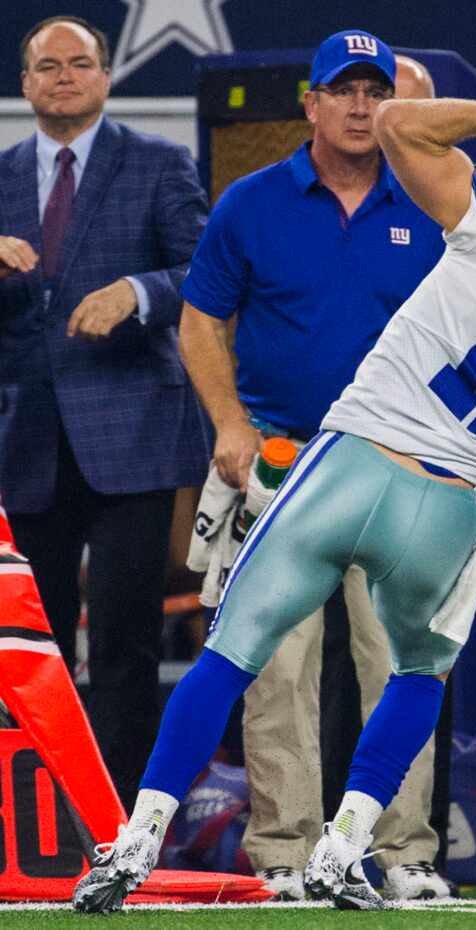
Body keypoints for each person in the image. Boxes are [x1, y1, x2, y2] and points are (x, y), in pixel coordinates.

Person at [71, 96, 476, 914]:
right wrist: (470, 482)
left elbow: (400, 124)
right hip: (452, 502)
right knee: (417, 675)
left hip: (351, 460)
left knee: (232, 655)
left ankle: (137, 840)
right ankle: (347, 846)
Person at [177, 32, 450, 901]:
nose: (362, 107)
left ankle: (402, 854)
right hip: (286, 465)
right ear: (312, 104)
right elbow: (198, 322)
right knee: (278, 670)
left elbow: (465, 332)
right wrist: (229, 421)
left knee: (400, 664)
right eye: (344, 91)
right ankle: (286, 858)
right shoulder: (252, 203)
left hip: (399, 466)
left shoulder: (429, 201)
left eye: (375, 91)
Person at [0, 16, 210, 808]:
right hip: (26, 441)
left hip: (134, 436)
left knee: (123, 644)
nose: (62, 76)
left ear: (106, 75)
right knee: (31, 649)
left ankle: (121, 824)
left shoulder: (158, 165)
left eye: (78, 63)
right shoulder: (3, 175)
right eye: (45, 65)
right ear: (24, 85)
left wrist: (139, 293)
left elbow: (205, 272)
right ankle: (39, 821)